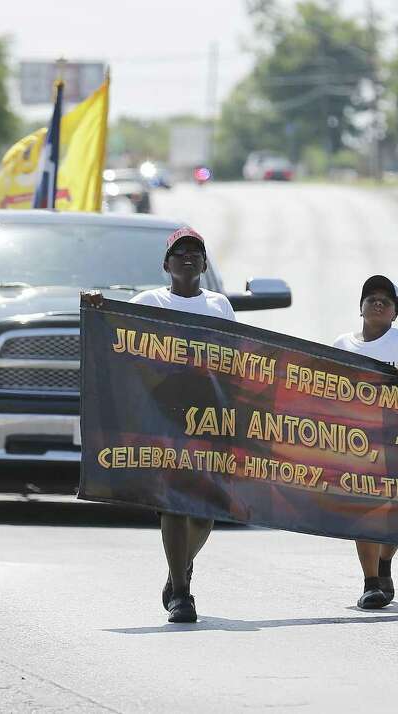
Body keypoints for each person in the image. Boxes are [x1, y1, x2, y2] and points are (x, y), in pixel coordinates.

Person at [129, 226, 236, 624]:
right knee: (172, 503)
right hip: (163, 416)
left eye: (195, 253)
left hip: (208, 416)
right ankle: (181, 594)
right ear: (166, 264)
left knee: (204, 509)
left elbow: (236, 360)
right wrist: (95, 305)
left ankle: (180, 567)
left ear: (205, 264)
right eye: (180, 252)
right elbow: (117, 339)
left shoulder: (219, 306)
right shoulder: (148, 302)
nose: (188, 258)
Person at [331, 275, 398, 610]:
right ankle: (371, 580)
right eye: (371, 297)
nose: (378, 302)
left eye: (386, 299)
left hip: (395, 437)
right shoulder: (343, 344)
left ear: (395, 312)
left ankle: (385, 560)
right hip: (357, 441)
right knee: (365, 509)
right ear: (360, 307)